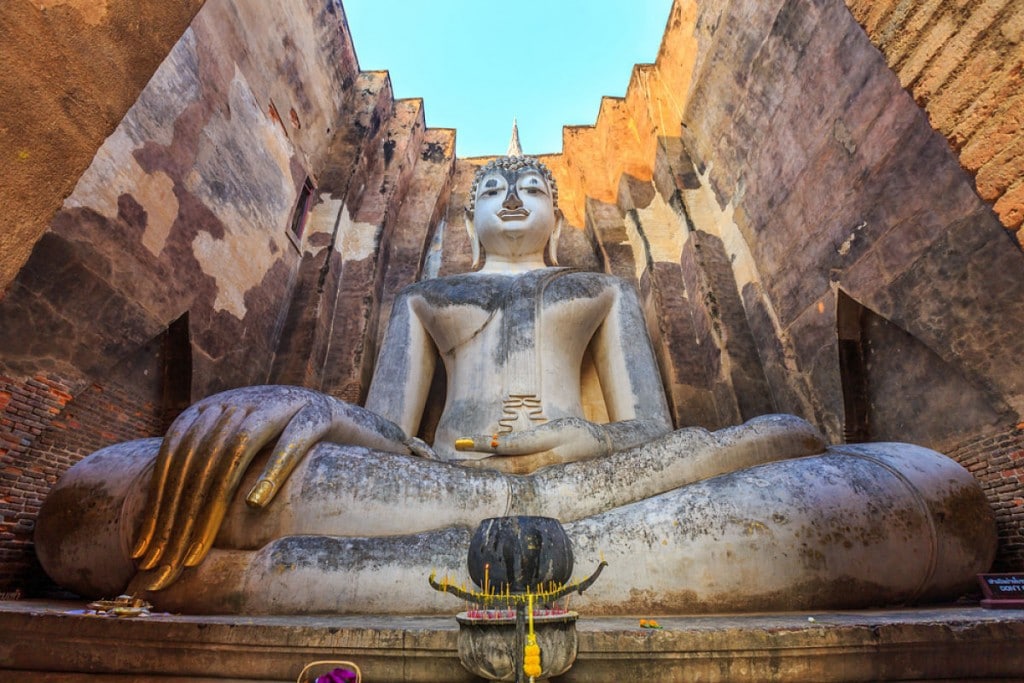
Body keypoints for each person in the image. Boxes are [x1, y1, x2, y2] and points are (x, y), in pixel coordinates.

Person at [36, 156, 996, 614]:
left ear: (555, 211)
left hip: (597, 481)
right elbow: (382, 430)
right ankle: (573, 568)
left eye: (529, 186)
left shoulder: (599, 288)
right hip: (432, 484)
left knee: (872, 470)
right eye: (491, 187)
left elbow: (650, 429)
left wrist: (589, 444)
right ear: (465, 215)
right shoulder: (427, 293)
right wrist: (308, 410)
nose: (509, 196)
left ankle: (269, 583)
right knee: (117, 492)